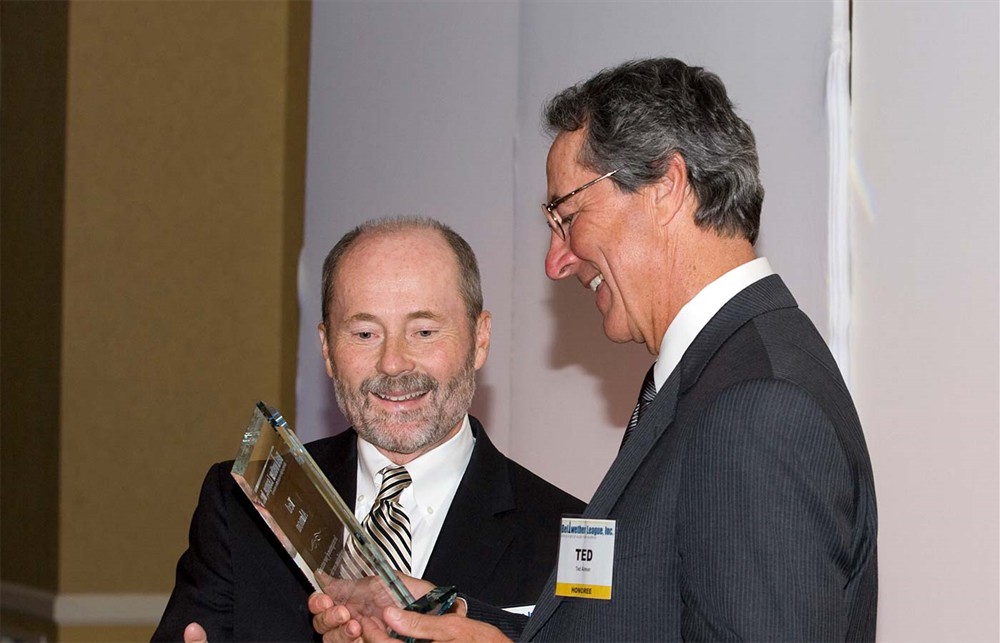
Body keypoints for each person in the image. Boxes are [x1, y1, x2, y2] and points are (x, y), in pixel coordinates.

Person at [310, 57, 878, 642]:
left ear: (666, 188)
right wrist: (460, 618)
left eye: (568, 216)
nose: (556, 262)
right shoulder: (719, 373)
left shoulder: (757, 406)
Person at [153, 217, 584, 642]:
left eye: (424, 331)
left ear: (480, 339)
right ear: (326, 349)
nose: (393, 362)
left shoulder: (565, 537)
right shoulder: (247, 504)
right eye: (364, 333)